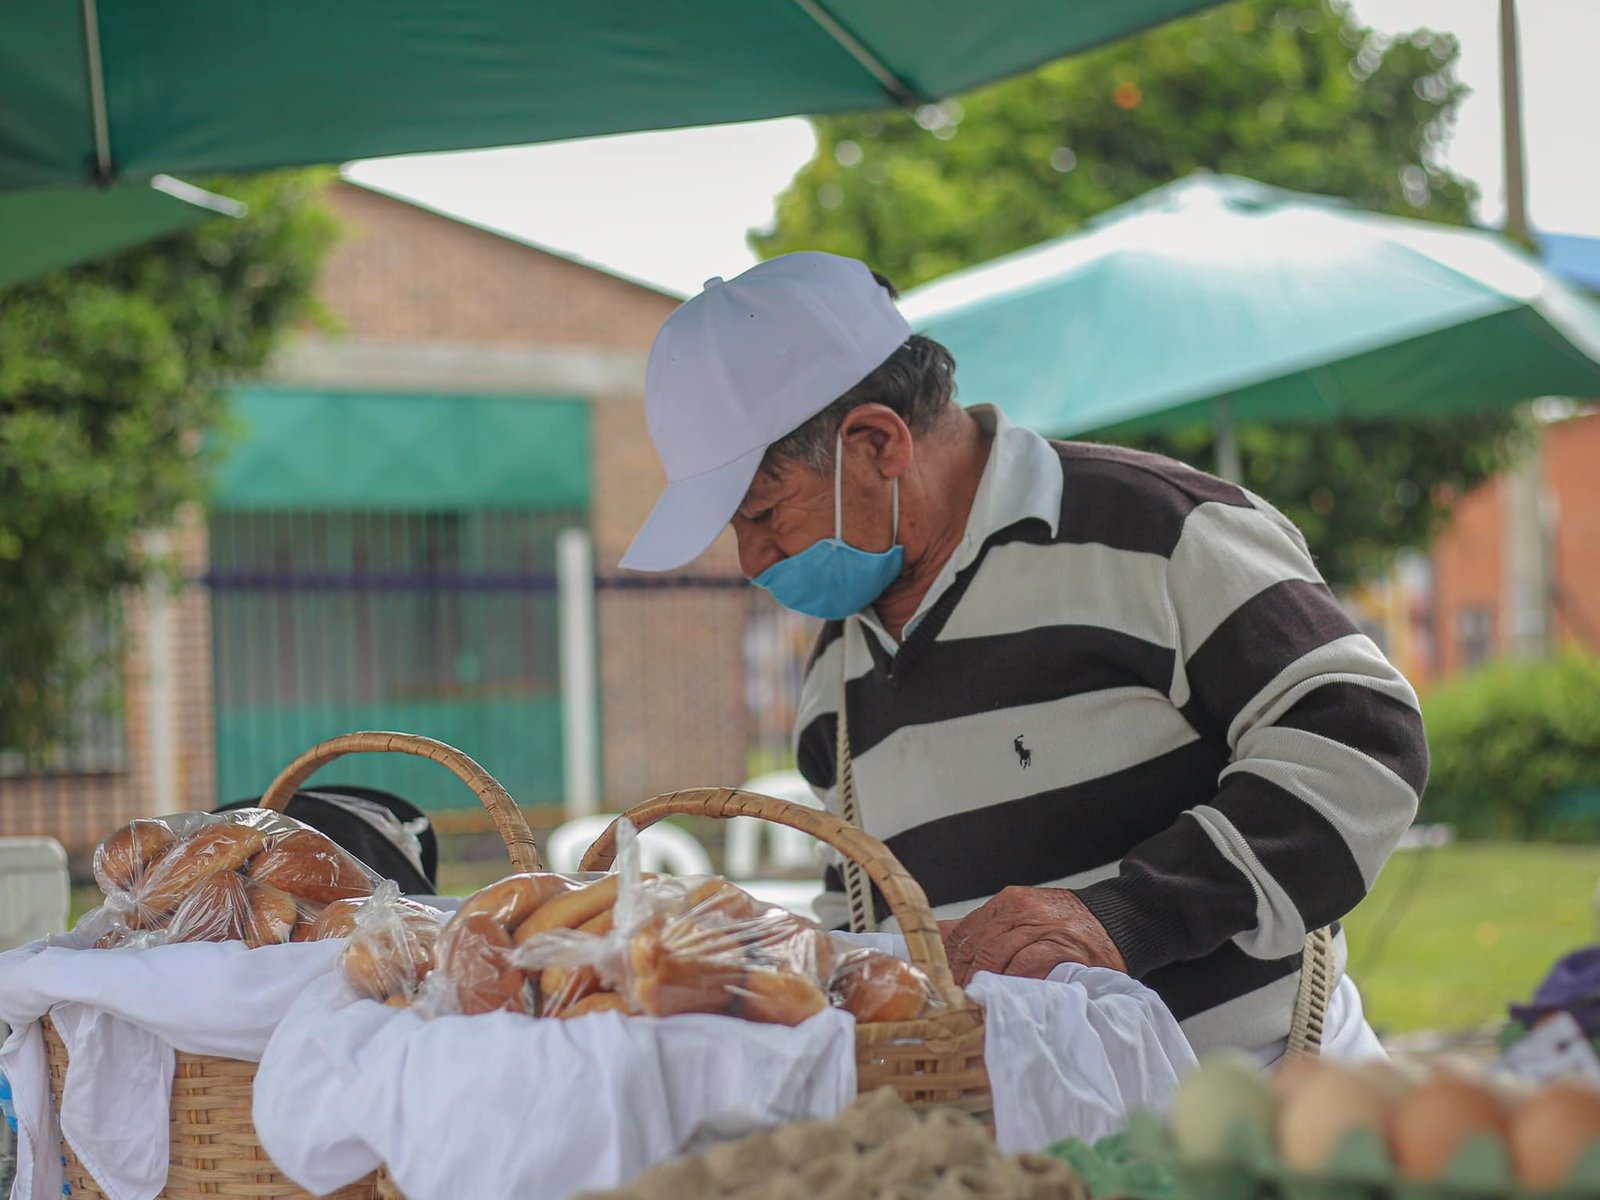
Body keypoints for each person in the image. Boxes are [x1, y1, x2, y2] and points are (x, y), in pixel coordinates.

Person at [620, 251, 1426, 1063]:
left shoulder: (1158, 529)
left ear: (876, 443)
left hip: (1259, 1111)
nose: (752, 560)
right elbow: (863, 907)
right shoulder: (835, 671)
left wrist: (1131, 916)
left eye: (762, 512)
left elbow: (1364, 741)